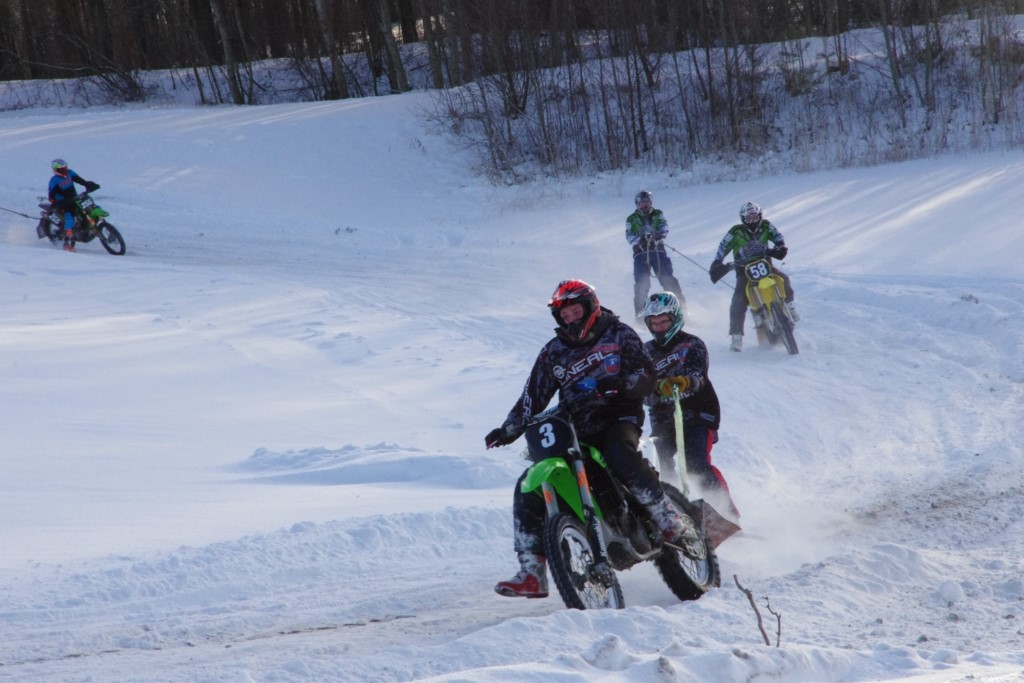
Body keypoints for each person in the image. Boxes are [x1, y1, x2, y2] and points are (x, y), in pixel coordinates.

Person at [484, 278, 689, 599]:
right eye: (563, 315)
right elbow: (532, 397)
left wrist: (619, 385)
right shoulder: (553, 352)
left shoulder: (618, 333)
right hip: (576, 425)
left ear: (590, 306)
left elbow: (646, 373)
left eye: (575, 311)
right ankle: (532, 571)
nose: (570, 319)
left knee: (618, 452)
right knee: (528, 485)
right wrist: (508, 428)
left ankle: (665, 515)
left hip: (619, 416)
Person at [640, 291, 739, 526]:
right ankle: (675, 515)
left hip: (697, 410)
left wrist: (685, 381)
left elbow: (698, 375)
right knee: (659, 466)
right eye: (654, 323)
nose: (659, 328)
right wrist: (653, 389)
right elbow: (639, 388)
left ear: (675, 318)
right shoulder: (644, 352)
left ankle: (727, 515)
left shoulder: (693, 344)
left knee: (695, 463)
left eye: (664, 322)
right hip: (663, 416)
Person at [709, 201, 797, 352]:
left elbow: (778, 236)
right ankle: (736, 337)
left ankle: (790, 306)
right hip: (744, 270)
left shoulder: (766, 226)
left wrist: (780, 246)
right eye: (748, 218)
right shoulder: (735, 232)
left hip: (765, 264)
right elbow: (723, 247)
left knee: (783, 279)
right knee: (738, 301)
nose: (752, 221)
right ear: (743, 219)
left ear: (760, 216)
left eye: (755, 217)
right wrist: (718, 262)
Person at [626, 190, 685, 318]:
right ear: (637, 204)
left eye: (648, 202)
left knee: (668, 280)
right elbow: (629, 237)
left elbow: (664, 227)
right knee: (641, 285)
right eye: (642, 203)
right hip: (641, 254)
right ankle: (641, 316)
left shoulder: (658, 214)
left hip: (658, 252)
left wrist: (658, 235)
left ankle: (681, 311)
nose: (645, 205)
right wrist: (641, 238)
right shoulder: (632, 219)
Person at [48, 158, 99, 252]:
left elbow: (80, 180)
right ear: (55, 170)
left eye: (65, 168)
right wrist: (56, 202)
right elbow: (51, 196)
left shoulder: (70, 173)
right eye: (61, 169)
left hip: (75, 199)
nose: (64, 170)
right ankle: (66, 243)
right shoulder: (54, 181)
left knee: (90, 208)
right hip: (64, 203)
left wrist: (89, 185)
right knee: (70, 219)